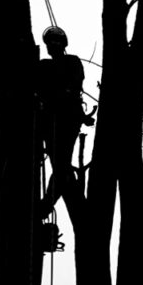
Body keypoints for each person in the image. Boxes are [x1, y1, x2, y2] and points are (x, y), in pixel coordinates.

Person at [38, 26, 92, 216]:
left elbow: (73, 85)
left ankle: (46, 204)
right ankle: (45, 204)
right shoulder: (43, 66)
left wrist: (59, 95)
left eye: (56, 41)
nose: (52, 45)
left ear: (63, 44)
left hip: (67, 119)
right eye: (49, 42)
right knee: (60, 166)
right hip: (48, 120)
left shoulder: (72, 62)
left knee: (61, 166)